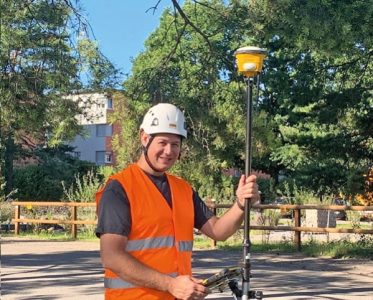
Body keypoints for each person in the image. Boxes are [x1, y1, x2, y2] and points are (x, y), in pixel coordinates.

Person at [96, 103, 260, 300]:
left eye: (175, 144)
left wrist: (241, 204)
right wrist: (170, 284)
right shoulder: (119, 188)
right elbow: (112, 257)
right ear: (144, 138)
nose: (169, 151)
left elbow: (218, 231)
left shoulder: (183, 189)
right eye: (163, 142)